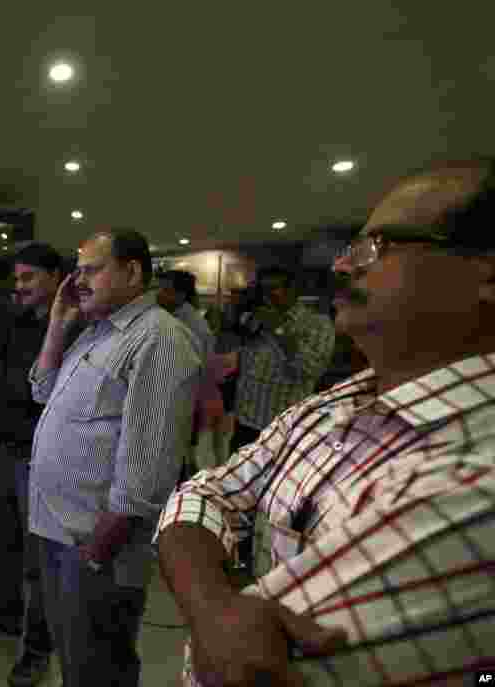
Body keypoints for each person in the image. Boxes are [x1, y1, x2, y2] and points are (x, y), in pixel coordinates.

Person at [156, 158, 495, 687]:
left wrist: (220, 621)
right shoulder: (341, 403)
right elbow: (204, 492)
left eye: (377, 246)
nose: (342, 267)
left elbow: (236, 669)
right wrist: (214, 606)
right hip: (256, 418)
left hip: (273, 410)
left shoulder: (470, 477)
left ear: (485, 275)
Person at [29, 230, 202, 686]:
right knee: (76, 662)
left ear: (132, 272)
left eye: (92, 270)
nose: (79, 281)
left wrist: (94, 555)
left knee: (97, 670)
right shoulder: (93, 333)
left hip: (96, 547)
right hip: (55, 530)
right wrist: (57, 323)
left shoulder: (161, 339)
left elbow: (147, 474)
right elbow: (41, 391)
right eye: (78, 270)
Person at [0, 243, 71, 687]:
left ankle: (36, 650)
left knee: (37, 563)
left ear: (53, 277)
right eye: (18, 278)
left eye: (29, 278)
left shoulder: (73, 329)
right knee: (0, 540)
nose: (20, 286)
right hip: (5, 453)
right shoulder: (11, 322)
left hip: (44, 462)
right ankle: (4, 612)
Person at [225, 266, 335, 568]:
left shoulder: (317, 324)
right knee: (240, 494)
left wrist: (280, 330)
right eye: (265, 289)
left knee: (278, 502)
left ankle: (277, 564)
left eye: (277, 287)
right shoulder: (256, 318)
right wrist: (236, 318)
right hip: (246, 421)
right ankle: (240, 555)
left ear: (293, 290)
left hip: (287, 428)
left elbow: (309, 368)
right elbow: (233, 348)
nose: (270, 295)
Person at [157, 271, 236, 473]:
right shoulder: (174, 317)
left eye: (165, 290)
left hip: (189, 397)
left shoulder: (189, 323)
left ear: (180, 295)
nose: (158, 294)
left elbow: (192, 366)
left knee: (190, 454)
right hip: (182, 396)